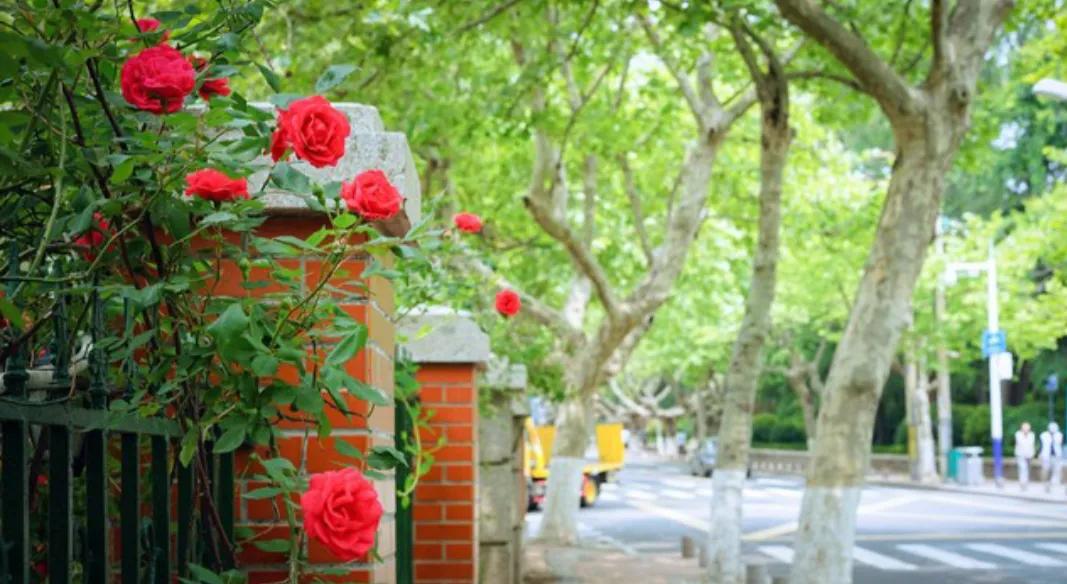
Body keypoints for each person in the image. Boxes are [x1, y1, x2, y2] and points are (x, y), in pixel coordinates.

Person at [1039, 422, 1064, 492]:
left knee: (1055, 469)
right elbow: (1042, 445)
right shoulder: (1043, 435)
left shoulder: (1059, 435)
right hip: (1046, 455)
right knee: (1046, 469)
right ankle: (1046, 483)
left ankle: (1052, 483)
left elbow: (1060, 445)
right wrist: (1040, 454)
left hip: (1056, 455)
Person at [1014, 422, 1035, 489]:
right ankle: (1022, 482)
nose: (1026, 430)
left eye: (1027, 428)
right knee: (1023, 468)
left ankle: (1025, 482)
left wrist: (1032, 453)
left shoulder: (1031, 435)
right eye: (1025, 428)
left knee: (1027, 469)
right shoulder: (1018, 434)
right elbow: (1020, 443)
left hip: (1029, 454)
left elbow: (1032, 445)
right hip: (1020, 454)